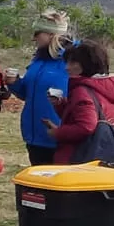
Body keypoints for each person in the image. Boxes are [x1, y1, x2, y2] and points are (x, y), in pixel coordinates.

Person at [5, 9, 72, 166]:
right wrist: (14, 82)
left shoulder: (72, 60)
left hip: (59, 136)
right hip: (35, 136)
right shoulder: (38, 60)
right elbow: (27, 94)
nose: (33, 38)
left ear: (51, 34)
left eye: (37, 33)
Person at [48, 40, 114, 164]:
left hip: (78, 157)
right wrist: (61, 104)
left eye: (73, 62)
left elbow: (86, 126)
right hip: (104, 153)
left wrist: (58, 132)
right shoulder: (110, 88)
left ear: (87, 64)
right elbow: (86, 113)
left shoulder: (81, 91)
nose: (67, 67)